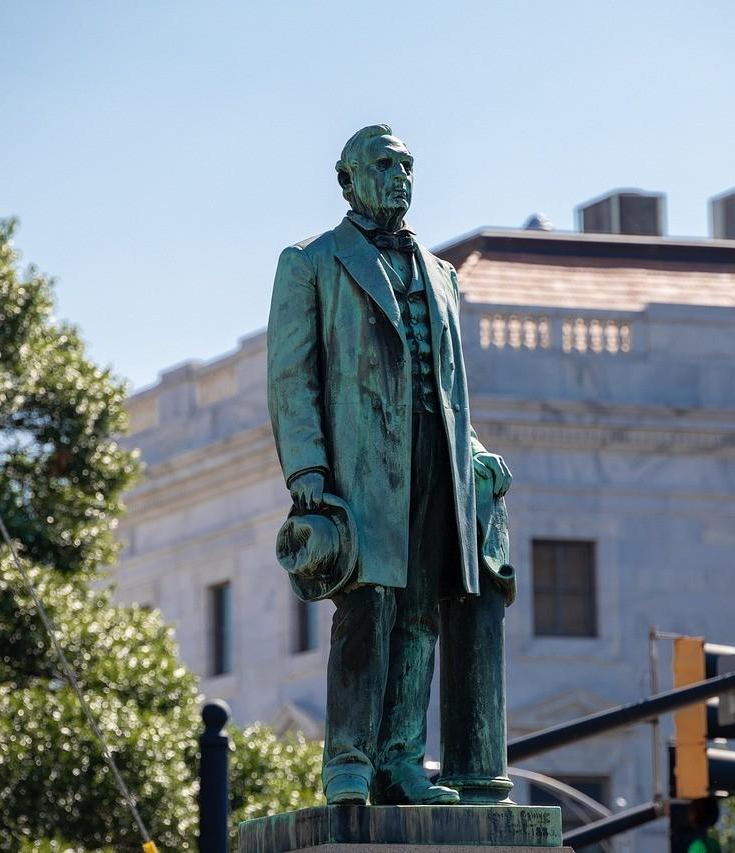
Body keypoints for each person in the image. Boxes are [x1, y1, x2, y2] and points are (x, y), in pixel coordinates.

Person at [267, 125, 511, 806]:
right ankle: (348, 759)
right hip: (361, 465)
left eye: (406, 165)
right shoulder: (311, 262)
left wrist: (476, 454)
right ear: (347, 180)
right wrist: (307, 470)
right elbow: (292, 376)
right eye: (383, 165)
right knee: (368, 607)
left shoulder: (442, 275)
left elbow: (451, 387)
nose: (398, 176)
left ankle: (402, 757)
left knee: (422, 611)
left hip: (436, 460)